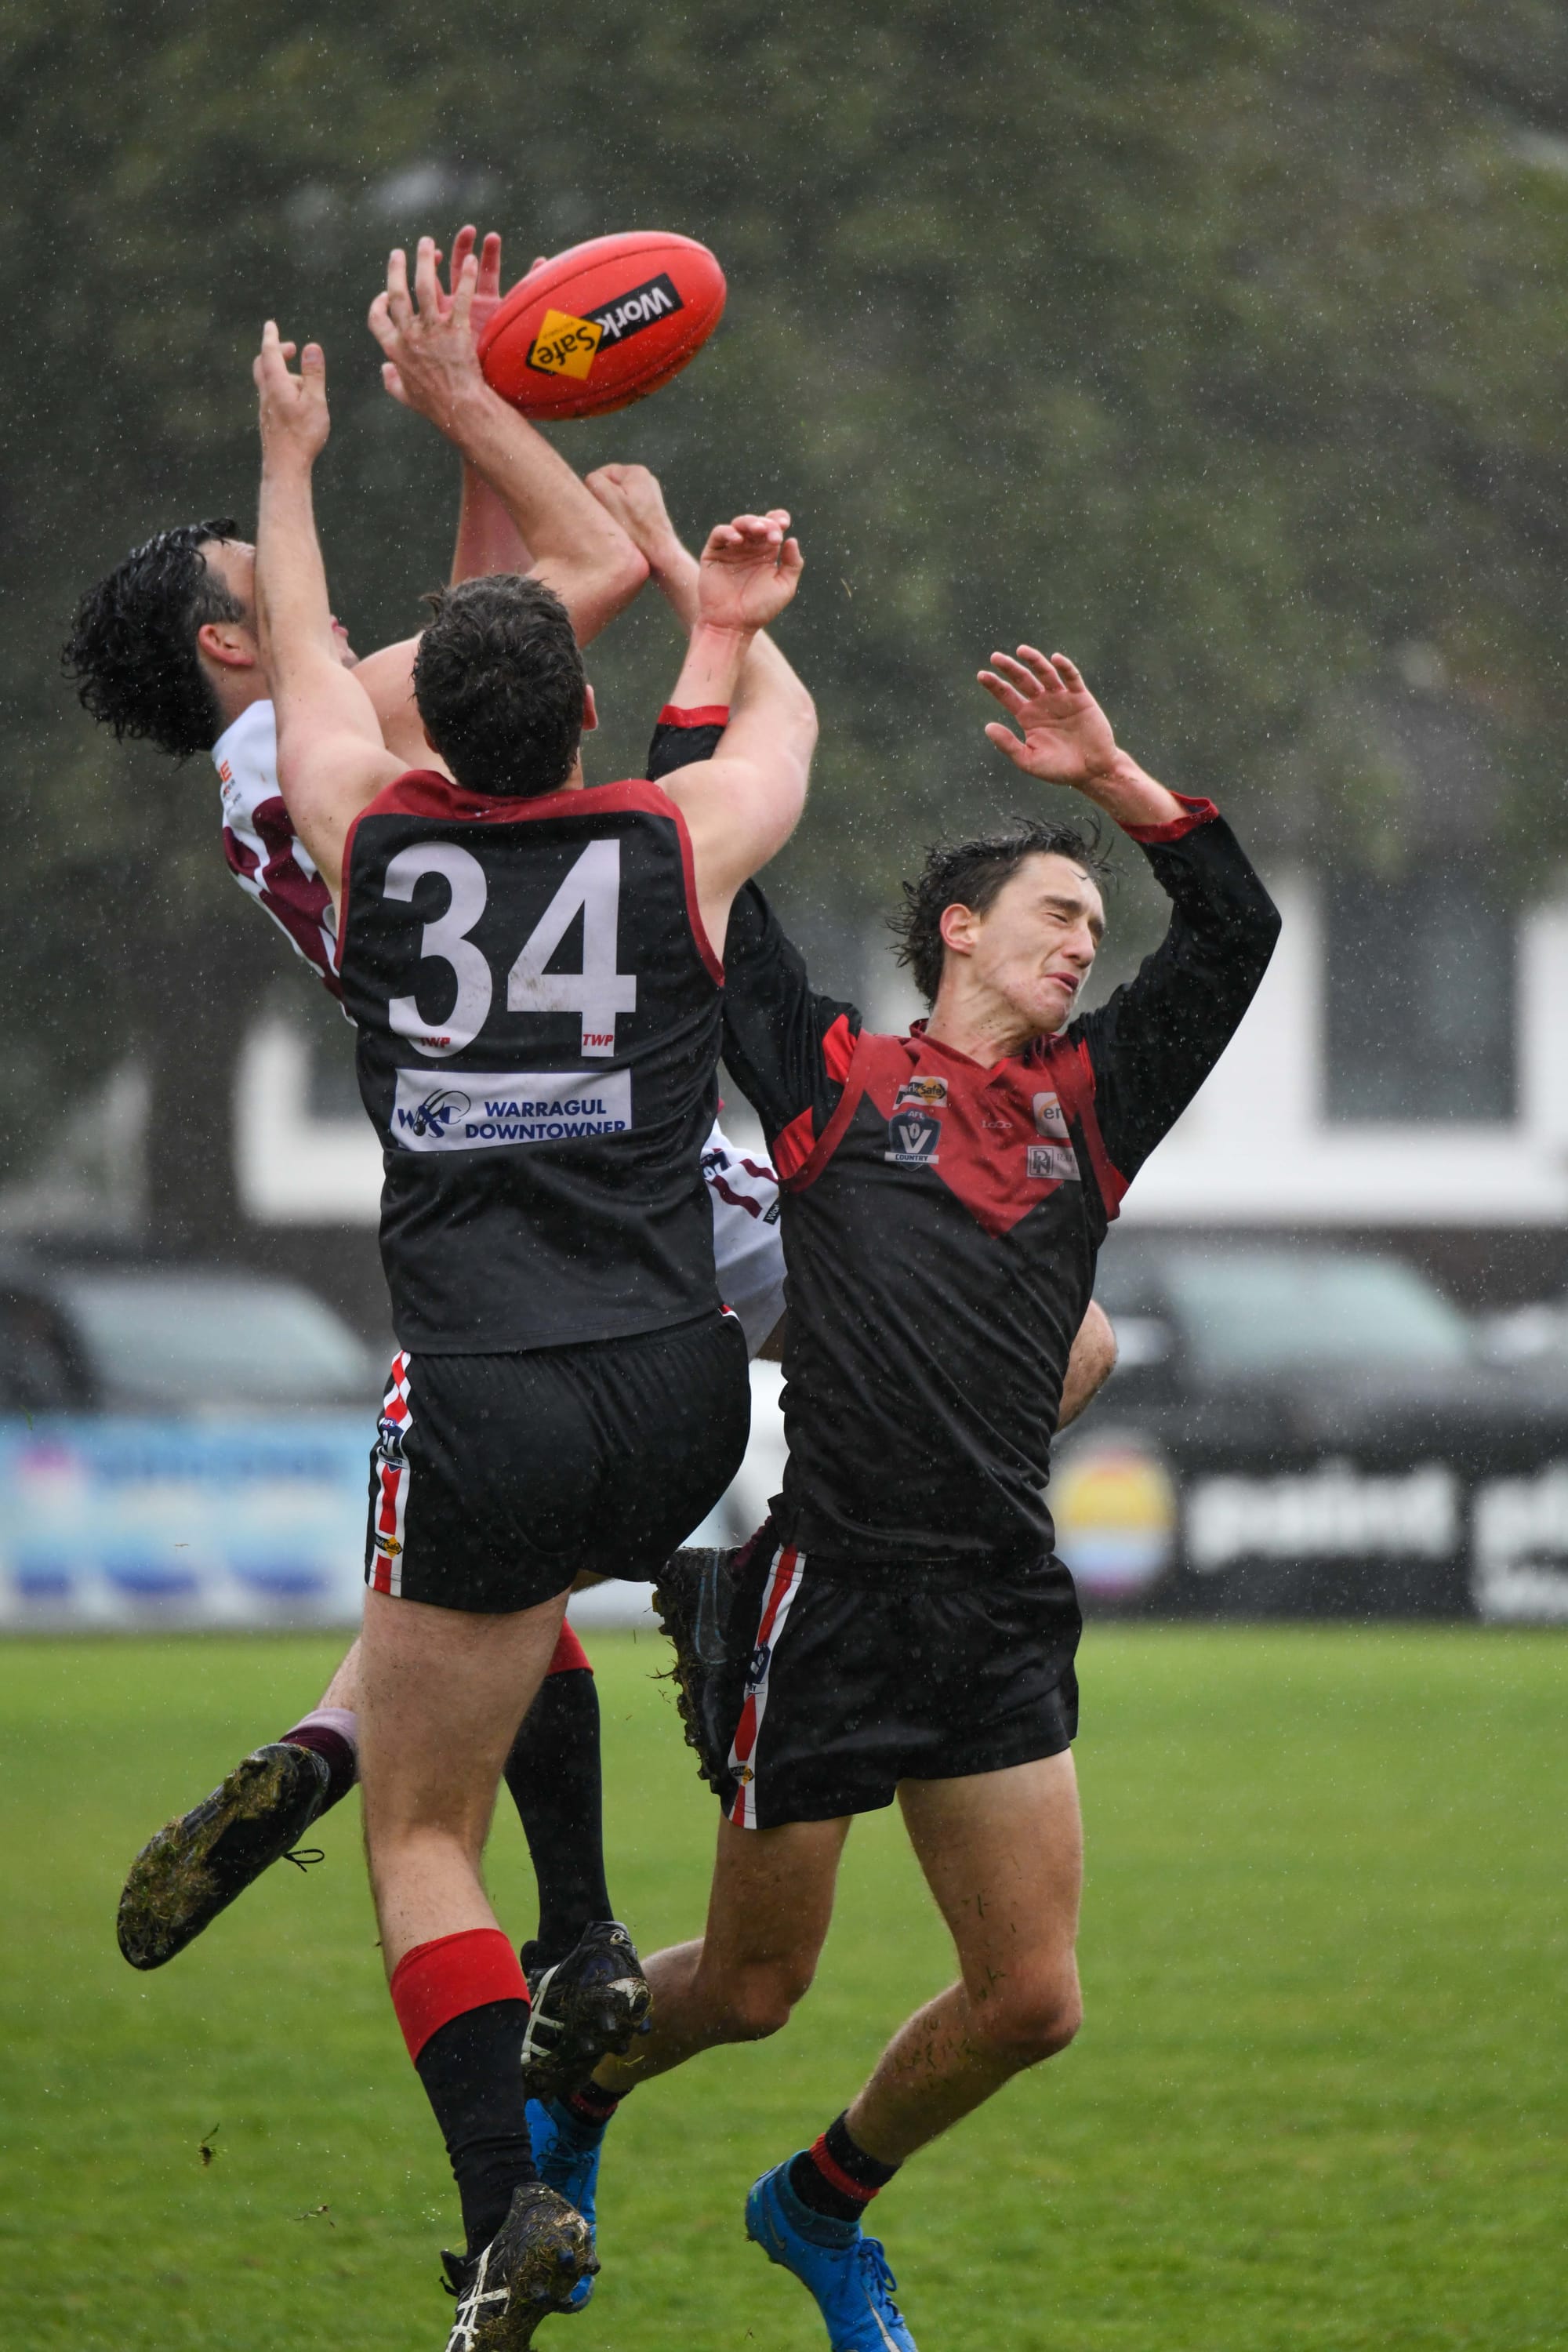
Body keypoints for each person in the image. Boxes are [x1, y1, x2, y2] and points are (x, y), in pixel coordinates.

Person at [561, 644, 1281, 2351]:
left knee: (1032, 2001)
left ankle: (816, 2205)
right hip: (830, 1596)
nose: (1082, 939)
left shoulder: (1090, 1107)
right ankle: (562, 2081)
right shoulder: (831, 1082)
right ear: (957, 931)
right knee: (748, 1990)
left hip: (997, 1600)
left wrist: (1110, 781)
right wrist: (712, 657)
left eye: (1093, 929)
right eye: (1052, 910)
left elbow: (1234, 933)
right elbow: (696, 872)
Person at [251, 226, 819, 2339]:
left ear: (426, 743)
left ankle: (508, 2206)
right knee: (568, 1580)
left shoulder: (366, 845)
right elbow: (780, 737)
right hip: (679, 1388)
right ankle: (701, 1636)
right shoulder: (666, 845)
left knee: (417, 1829)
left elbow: (310, 664)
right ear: (581, 715)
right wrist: (722, 607)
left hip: (485, 1393)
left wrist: (299, 456)